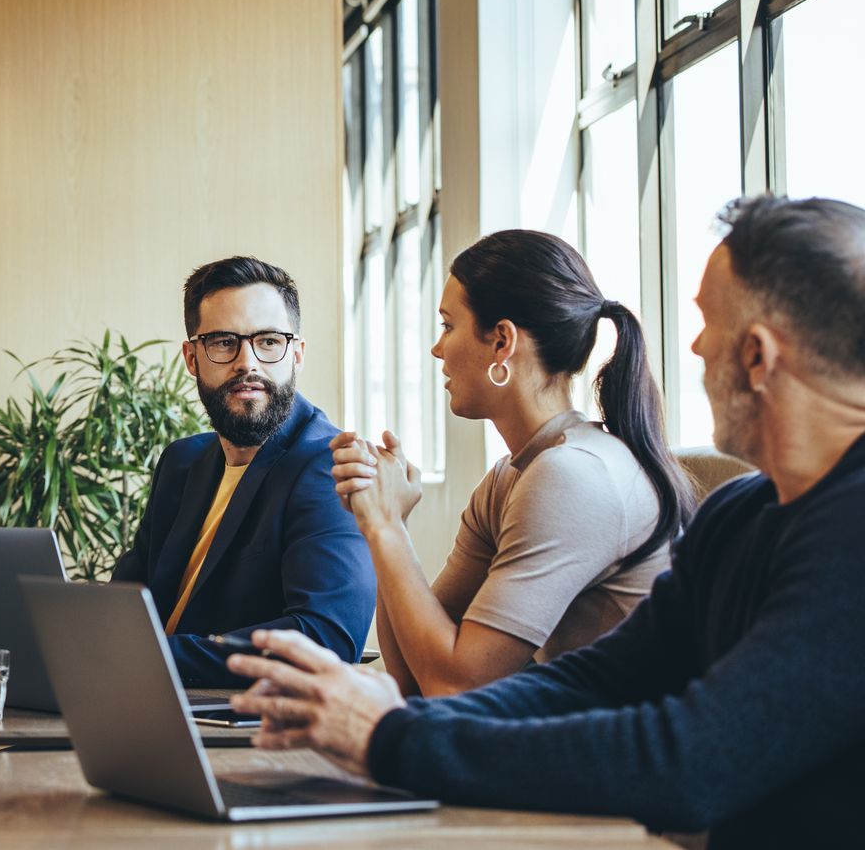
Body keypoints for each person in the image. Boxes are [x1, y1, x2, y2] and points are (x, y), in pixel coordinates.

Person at [227, 195, 865, 847]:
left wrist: (392, 736)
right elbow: (594, 679)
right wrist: (390, 721)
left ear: (758, 356)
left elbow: (690, 757)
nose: (695, 345)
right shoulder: (743, 511)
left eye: (707, 323)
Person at [330, 231, 692, 696]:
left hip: (634, 754)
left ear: (502, 342)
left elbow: (453, 686)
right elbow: (411, 679)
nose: (437, 349)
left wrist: (386, 527)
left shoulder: (572, 476)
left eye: (447, 326)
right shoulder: (511, 476)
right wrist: (381, 524)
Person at [111, 256, 375, 686]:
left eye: (269, 341)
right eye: (222, 341)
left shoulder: (328, 466)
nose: (247, 362)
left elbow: (326, 639)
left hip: (249, 730)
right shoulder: (182, 462)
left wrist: (149, 658)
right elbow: (125, 605)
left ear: (297, 355)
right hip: (144, 704)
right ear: (192, 358)